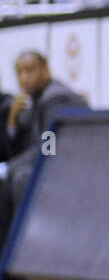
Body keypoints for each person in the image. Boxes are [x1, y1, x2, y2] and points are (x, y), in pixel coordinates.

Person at [0, 51, 86, 250]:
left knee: (21, 176)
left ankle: (25, 247)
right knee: (13, 176)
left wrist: (9, 167)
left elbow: (49, 147)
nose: (24, 78)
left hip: (76, 165)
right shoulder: (37, 100)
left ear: (46, 69)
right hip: (62, 162)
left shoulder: (56, 99)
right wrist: (12, 120)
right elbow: (26, 142)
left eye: (30, 70)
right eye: (19, 73)